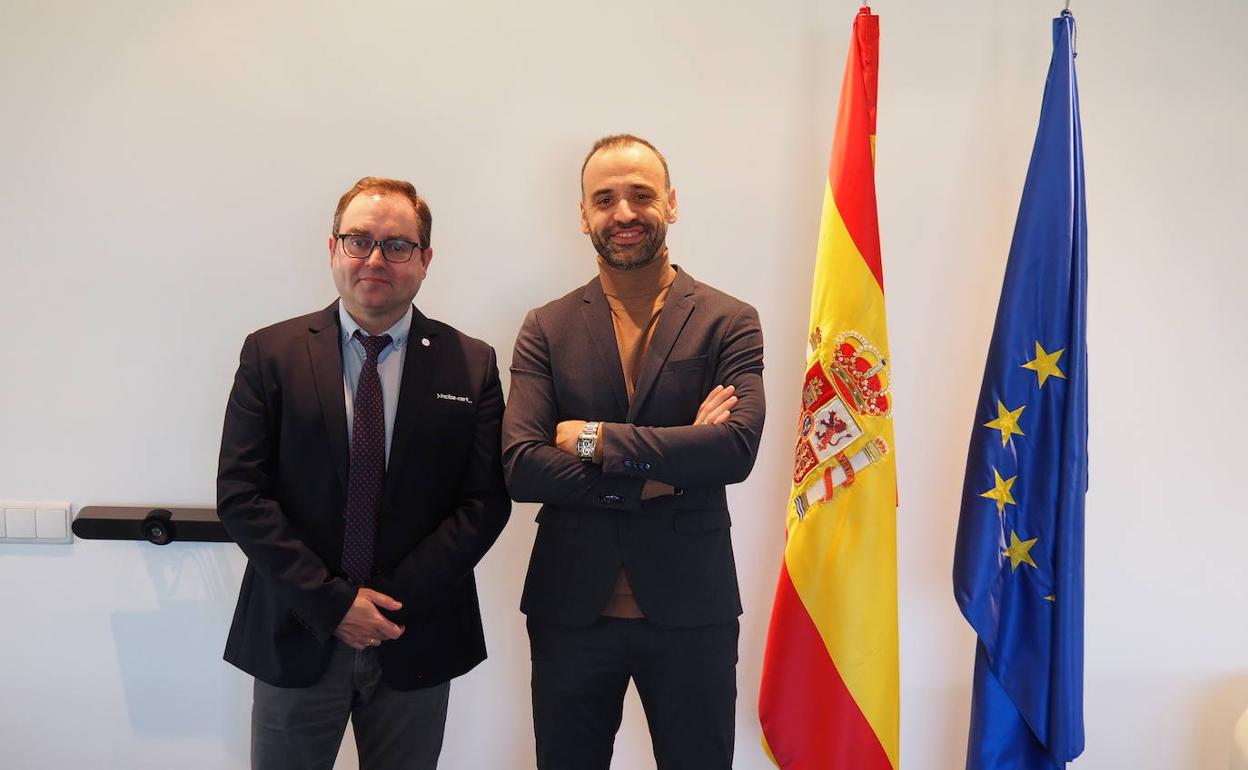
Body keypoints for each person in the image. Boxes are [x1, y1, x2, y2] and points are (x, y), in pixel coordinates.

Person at [217, 176, 510, 769]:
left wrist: (384, 608)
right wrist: (333, 605)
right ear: (333, 250)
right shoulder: (269, 354)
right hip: (296, 631)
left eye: (398, 245)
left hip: (416, 636)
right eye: (360, 241)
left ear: (425, 261)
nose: (376, 258)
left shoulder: (471, 364)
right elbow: (242, 496)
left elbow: (484, 503)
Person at [502, 135, 766, 769]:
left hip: (691, 609)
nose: (624, 212)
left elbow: (732, 450)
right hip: (572, 610)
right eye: (605, 198)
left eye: (641, 195)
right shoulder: (547, 326)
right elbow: (521, 464)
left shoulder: (729, 320)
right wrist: (665, 471)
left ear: (671, 204)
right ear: (583, 214)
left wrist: (590, 438)